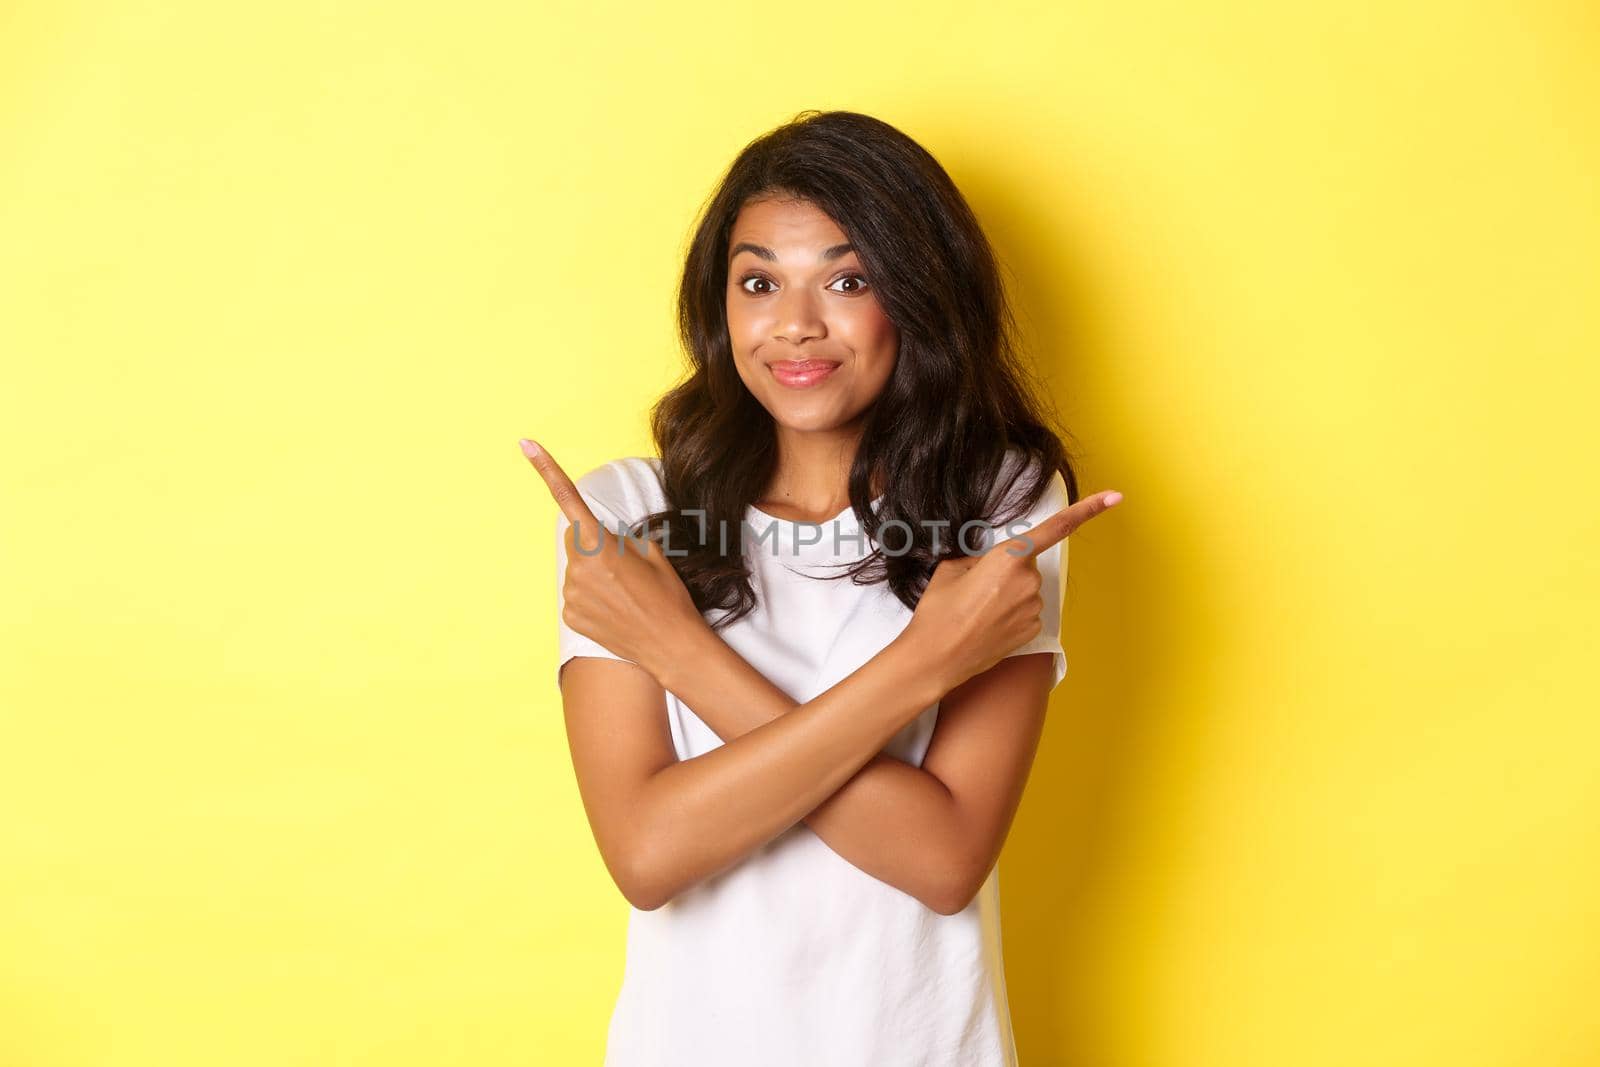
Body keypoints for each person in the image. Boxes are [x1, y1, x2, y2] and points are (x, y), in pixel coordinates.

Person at [520, 109, 1123, 1066]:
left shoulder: (1000, 501)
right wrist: (928, 663)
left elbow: (942, 858)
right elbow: (647, 854)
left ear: (920, 297)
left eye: (848, 280)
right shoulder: (628, 510)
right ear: (720, 306)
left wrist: (676, 648)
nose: (796, 324)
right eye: (759, 281)